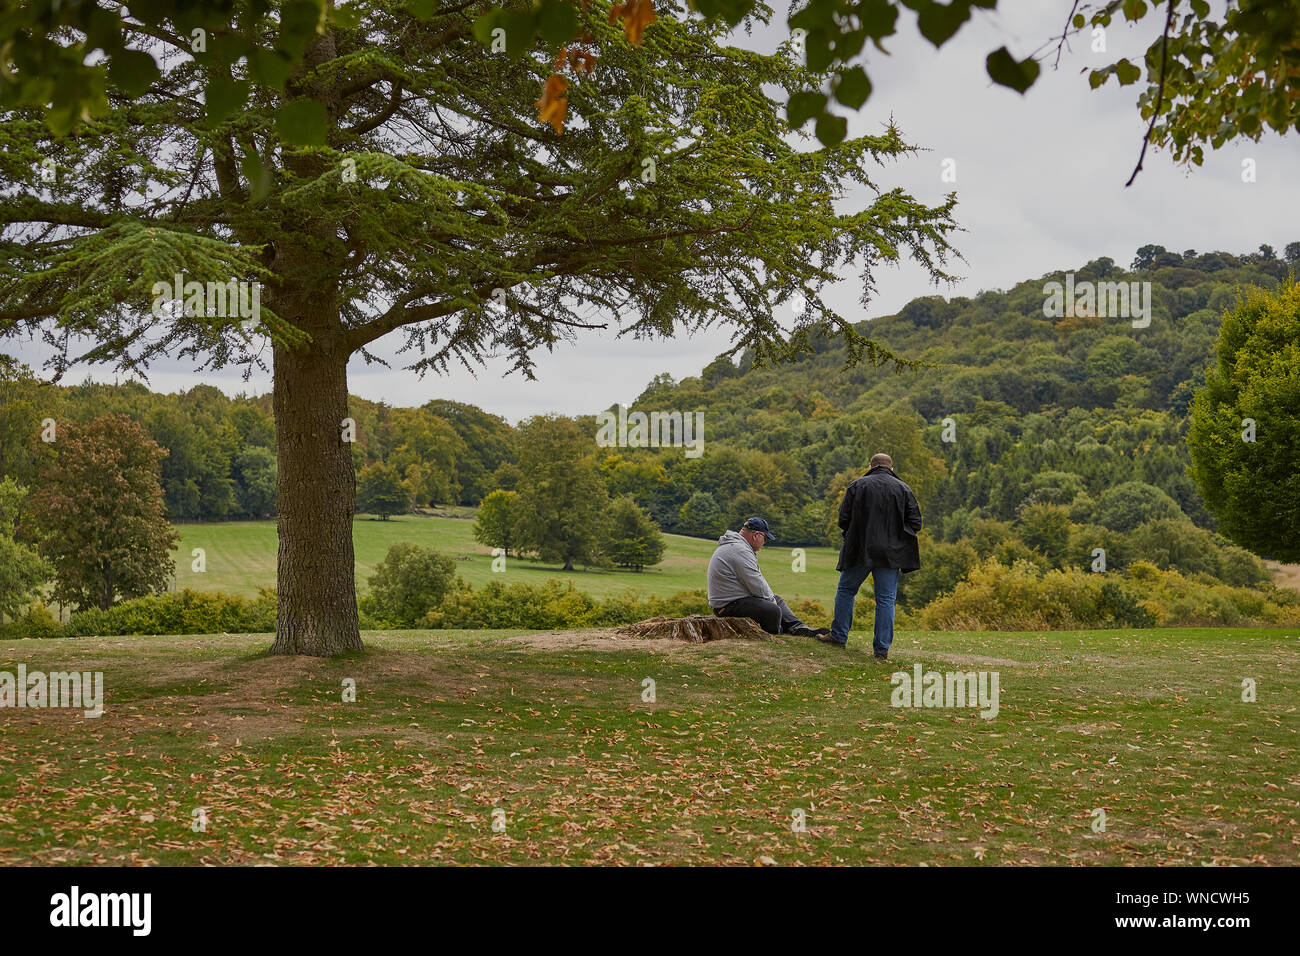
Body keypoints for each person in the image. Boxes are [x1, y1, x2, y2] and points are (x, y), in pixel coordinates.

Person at [822, 453, 922, 657]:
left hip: (860, 549)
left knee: (846, 590)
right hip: (890, 555)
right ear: (891, 468)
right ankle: (881, 649)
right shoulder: (903, 489)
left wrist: (855, 534)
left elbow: (843, 519)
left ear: (870, 466)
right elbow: (916, 523)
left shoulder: (857, 486)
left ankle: (839, 636)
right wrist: (897, 539)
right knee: (885, 599)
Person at [707, 517, 830, 637]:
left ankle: (798, 627)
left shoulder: (738, 546)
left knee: (777, 599)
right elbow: (755, 583)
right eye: (765, 538)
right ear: (756, 535)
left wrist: (772, 598)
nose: (764, 543)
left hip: (734, 601)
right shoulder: (740, 550)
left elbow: (758, 580)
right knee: (772, 610)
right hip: (726, 607)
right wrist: (771, 601)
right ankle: (777, 634)